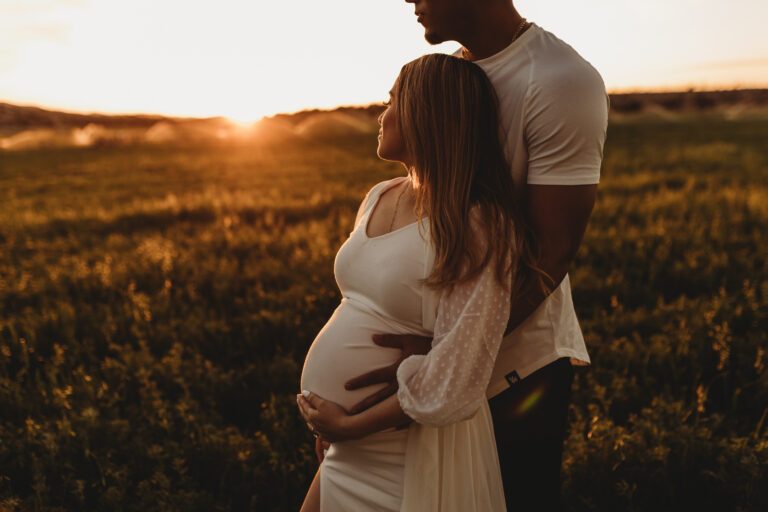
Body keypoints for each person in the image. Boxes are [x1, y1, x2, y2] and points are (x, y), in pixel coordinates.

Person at [341, 1, 610, 510]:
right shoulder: (452, 76)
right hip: (416, 370)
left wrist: (444, 357)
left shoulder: (558, 80)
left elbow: (551, 254)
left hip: (511, 375)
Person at [296, 53, 544, 511]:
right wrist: (334, 429)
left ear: (428, 112)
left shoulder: (479, 223)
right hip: (347, 443)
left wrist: (352, 426)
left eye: (394, 100)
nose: (381, 113)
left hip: (405, 448)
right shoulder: (379, 195)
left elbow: (461, 367)